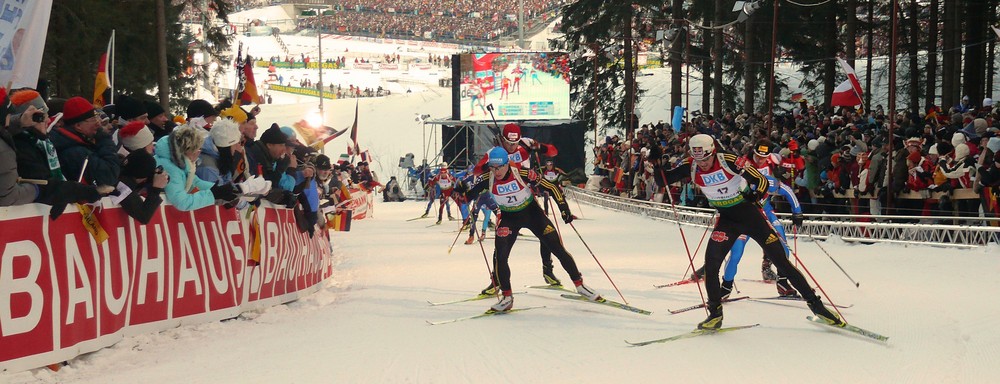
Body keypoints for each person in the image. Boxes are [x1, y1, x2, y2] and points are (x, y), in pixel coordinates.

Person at [659, 134, 842, 329]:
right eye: (698, 160)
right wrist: (656, 163)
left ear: (713, 151)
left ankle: (817, 307)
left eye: (705, 158)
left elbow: (761, 181)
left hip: (751, 218)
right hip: (727, 221)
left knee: (782, 262)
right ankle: (715, 314)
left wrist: (755, 195)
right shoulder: (692, 164)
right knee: (711, 265)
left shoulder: (728, 160)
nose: (702, 164)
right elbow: (664, 179)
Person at [465, 146, 600, 312]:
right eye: (492, 167)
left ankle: (580, 285)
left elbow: (552, 187)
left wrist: (564, 209)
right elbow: (470, 193)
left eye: (499, 167)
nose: (496, 171)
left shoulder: (522, 173)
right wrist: (459, 192)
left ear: (507, 163)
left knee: (557, 248)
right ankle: (507, 297)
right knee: (500, 256)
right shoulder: (489, 177)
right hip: (508, 218)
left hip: (532, 214)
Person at [720, 140, 804, 298]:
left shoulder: (773, 161)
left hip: (765, 211)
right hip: (744, 215)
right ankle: (725, 286)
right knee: (736, 252)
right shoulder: (744, 164)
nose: (760, 160)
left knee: (783, 245)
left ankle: (783, 282)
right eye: (757, 156)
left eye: (763, 157)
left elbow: (791, 177)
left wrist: (797, 212)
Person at [153, 126, 240, 211]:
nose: (199, 153)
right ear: (190, 151)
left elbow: (194, 181)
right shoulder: (172, 169)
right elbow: (182, 202)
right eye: (198, 149)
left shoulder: (178, 163)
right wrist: (212, 194)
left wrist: (216, 189)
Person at [49, 96, 121, 188]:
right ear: (78, 125)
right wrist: (104, 139)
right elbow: (110, 175)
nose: (98, 123)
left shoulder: (71, 142)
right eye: (93, 119)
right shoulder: (75, 151)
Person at [117, 149, 167, 224]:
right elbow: (143, 217)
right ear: (141, 177)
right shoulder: (121, 185)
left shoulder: (117, 163)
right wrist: (156, 190)